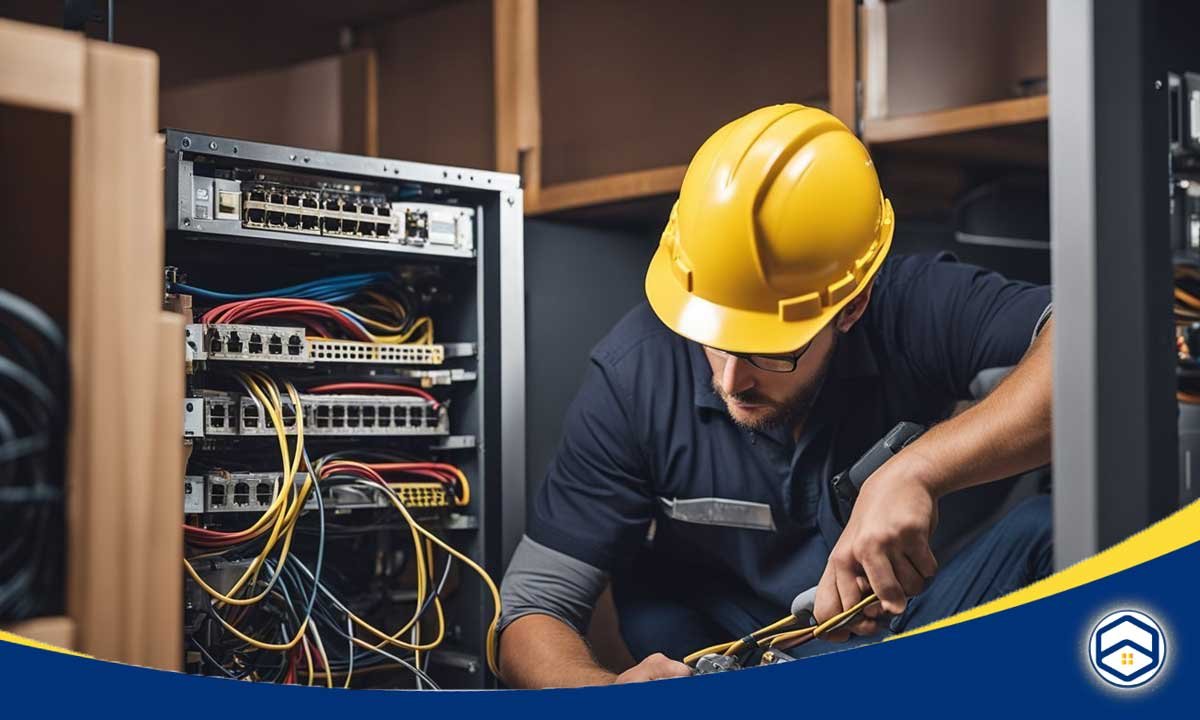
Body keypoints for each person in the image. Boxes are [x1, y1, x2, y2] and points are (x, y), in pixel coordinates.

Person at [498, 104, 1054, 688]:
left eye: (769, 348)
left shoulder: (917, 307)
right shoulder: (633, 375)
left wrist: (918, 470)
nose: (731, 380)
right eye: (712, 339)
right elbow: (531, 609)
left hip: (921, 634)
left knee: (1051, 529)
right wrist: (602, 693)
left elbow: (1095, 338)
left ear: (852, 306)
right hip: (732, 673)